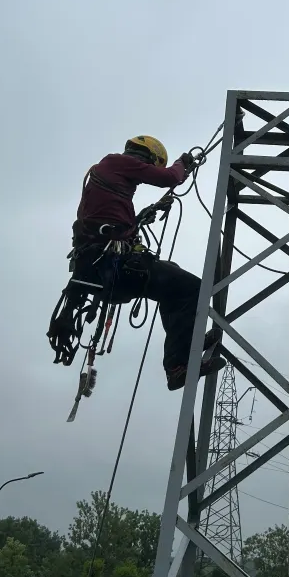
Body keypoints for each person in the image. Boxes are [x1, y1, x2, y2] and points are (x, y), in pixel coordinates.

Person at [72, 134, 224, 390]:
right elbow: (169, 178)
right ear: (146, 157)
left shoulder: (109, 180)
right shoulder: (117, 162)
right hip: (115, 267)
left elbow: (112, 224)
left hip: (104, 269)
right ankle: (177, 365)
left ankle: (184, 344)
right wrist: (182, 163)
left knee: (172, 277)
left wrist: (144, 215)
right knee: (191, 288)